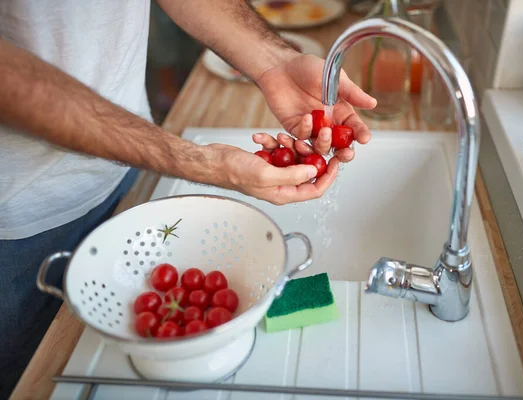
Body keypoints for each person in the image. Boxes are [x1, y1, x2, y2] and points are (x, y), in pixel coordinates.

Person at [0, 0, 376, 396]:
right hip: (18, 222)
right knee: (30, 384)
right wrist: (200, 162)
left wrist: (275, 62)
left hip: (123, 166)